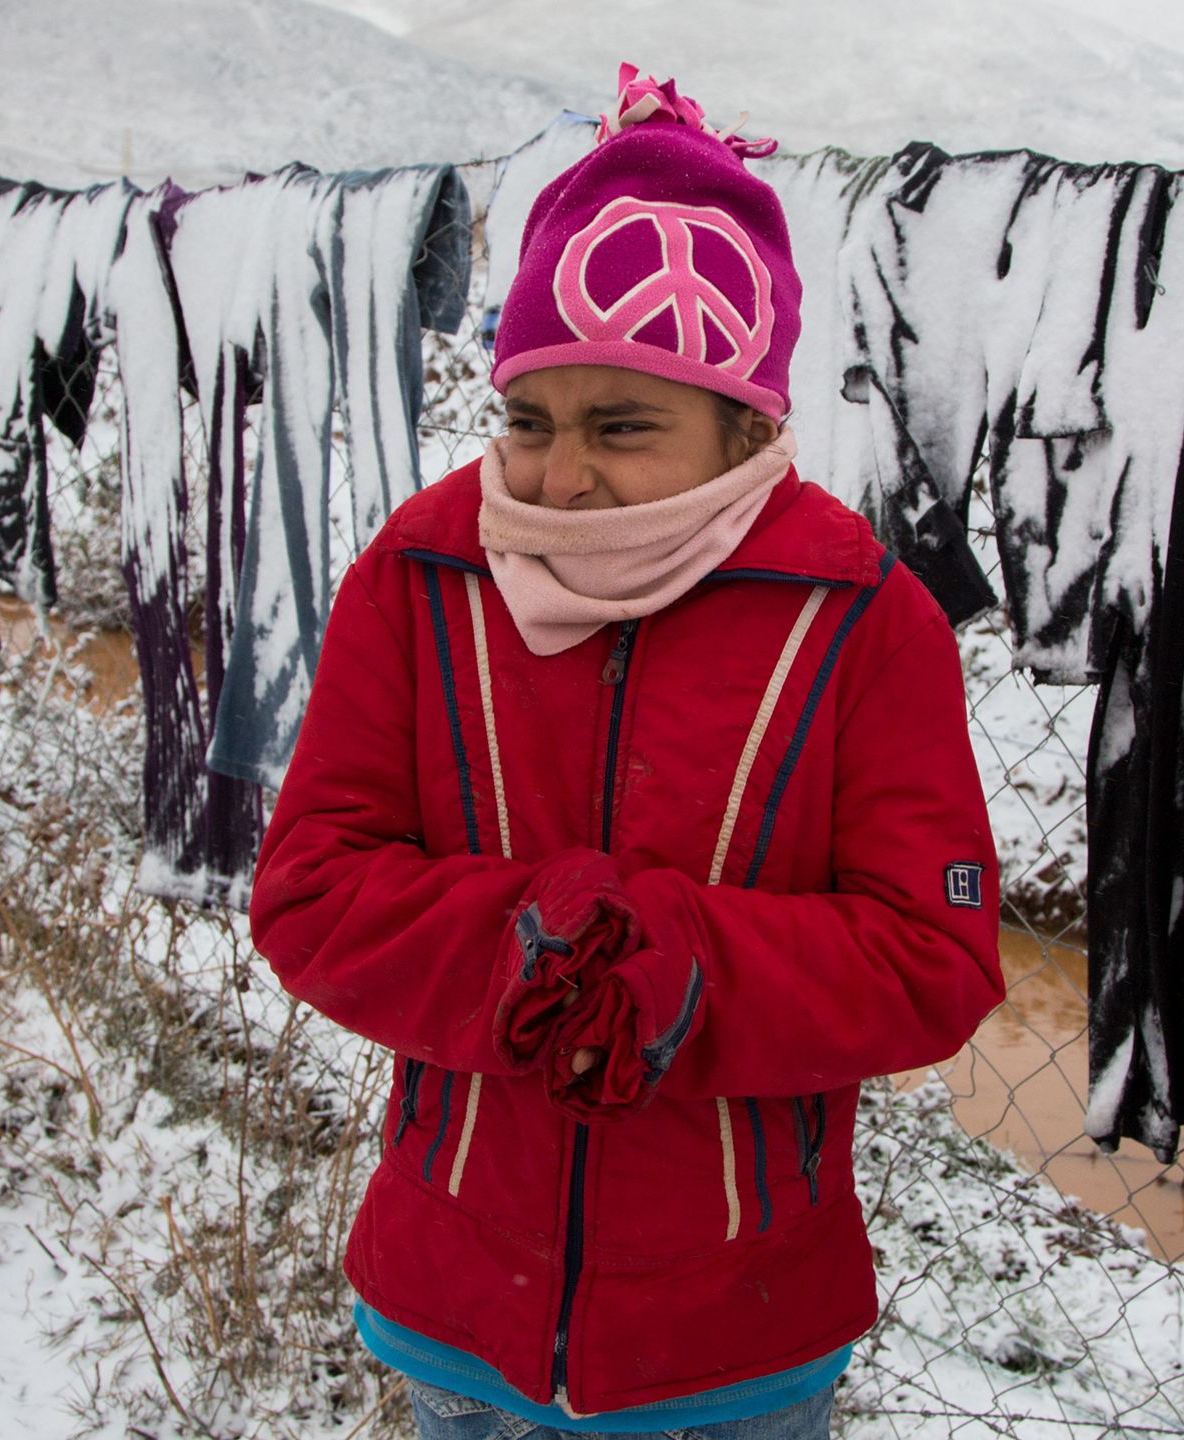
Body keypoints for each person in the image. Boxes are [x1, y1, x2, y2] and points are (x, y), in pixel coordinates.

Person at [247, 64, 1006, 1439]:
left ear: (749, 425)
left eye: (624, 425)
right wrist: (525, 948)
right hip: (454, 1315)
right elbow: (308, 890)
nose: (560, 476)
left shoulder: (864, 622)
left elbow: (932, 959)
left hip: (732, 1349)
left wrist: (680, 973)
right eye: (529, 419)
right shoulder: (421, 582)